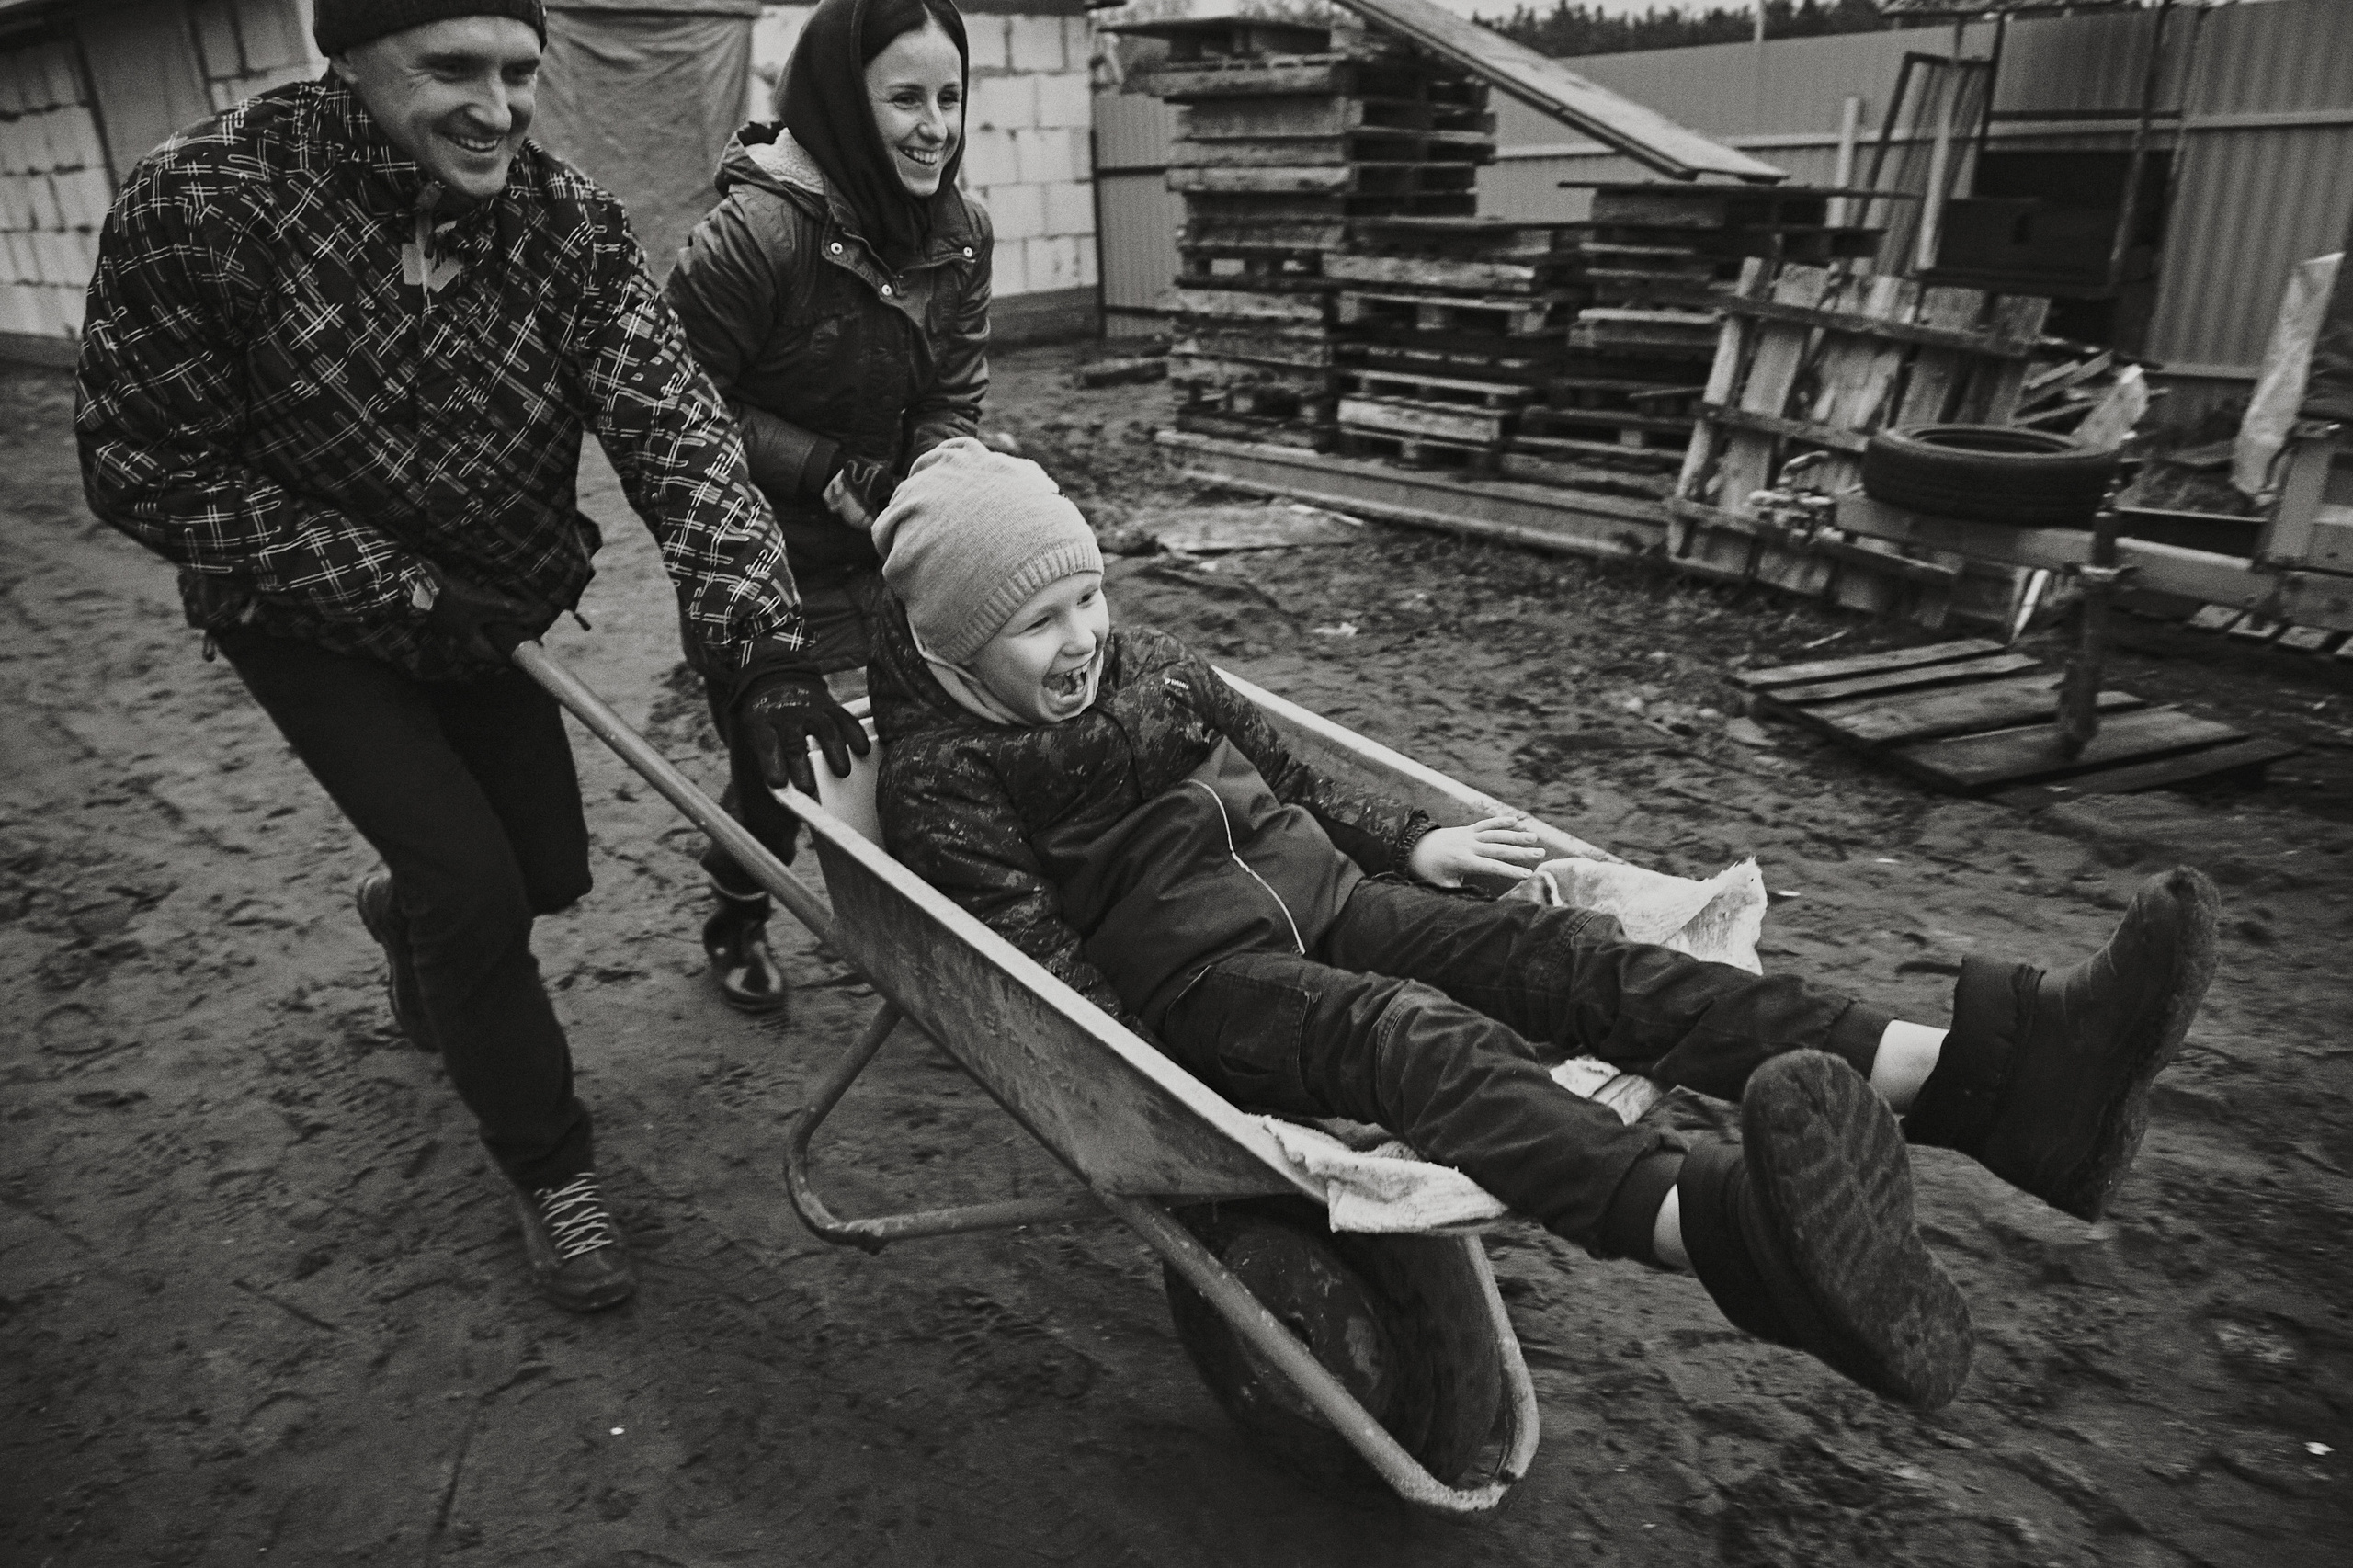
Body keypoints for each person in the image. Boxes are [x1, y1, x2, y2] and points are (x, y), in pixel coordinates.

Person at [859, 439, 2221, 1408]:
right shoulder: (947, 777)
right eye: (1037, 621)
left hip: (1336, 897)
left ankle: (1993, 1074)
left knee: (1557, 955)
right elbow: (1034, 969)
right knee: (1414, 1038)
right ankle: (1727, 1231)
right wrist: (1150, 1076)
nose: (1083, 634)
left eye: (1088, 594)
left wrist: (1416, 838)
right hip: (1211, 993)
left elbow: (1288, 767)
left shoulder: (1149, 663)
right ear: (951, 645)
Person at [75, 1, 829, 1313]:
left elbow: (678, 431)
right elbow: (140, 461)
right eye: (454, 69)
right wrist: (392, 586)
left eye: (522, 71)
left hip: (489, 611)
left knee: (543, 869)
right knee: (473, 886)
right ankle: (551, 1168)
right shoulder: (205, 202)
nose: (499, 106)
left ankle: (403, 919)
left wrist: (763, 645)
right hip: (308, 620)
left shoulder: (560, 223)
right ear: (353, 54)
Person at [662, 0, 990, 1013]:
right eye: (904, 98)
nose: (935, 123)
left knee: (931, 744)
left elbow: (952, 393)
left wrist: (923, 484)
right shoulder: (752, 238)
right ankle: (736, 916)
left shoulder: (961, 231)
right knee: (785, 771)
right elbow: (675, 407)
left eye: (950, 95)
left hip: (893, 543)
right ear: (844, 105)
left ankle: (937, 951)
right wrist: (820, 467)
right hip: (760, 554)